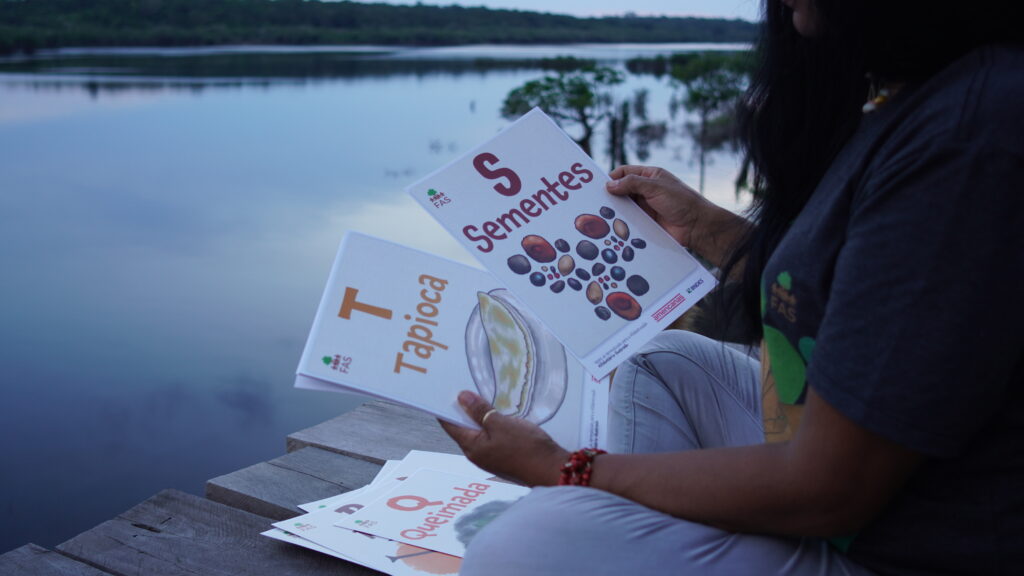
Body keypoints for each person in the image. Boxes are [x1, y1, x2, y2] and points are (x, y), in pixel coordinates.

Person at [441, 1, 1024, 574]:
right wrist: (704, 228)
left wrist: (566, 469)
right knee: (662, 361)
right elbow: (843, 291)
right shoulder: (913, 94)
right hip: (847, 481)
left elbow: (830, 490)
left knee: (522, 545)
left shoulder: (966, 139)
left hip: (898, 547)